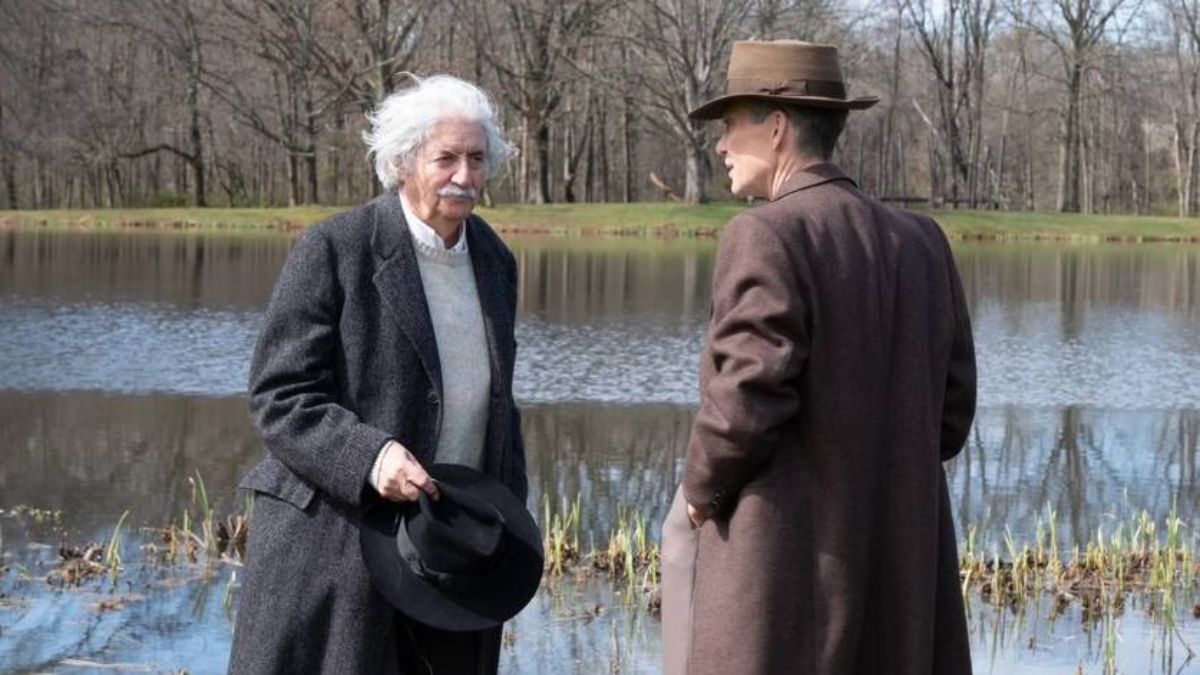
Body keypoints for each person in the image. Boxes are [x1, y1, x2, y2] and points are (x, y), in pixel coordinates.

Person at [660, 40, 977, 675]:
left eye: (731, 125)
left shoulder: (765, 233)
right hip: (900, 571)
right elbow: (952, 414)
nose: (721, 145)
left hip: (781, 575)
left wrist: (699, 491)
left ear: (775, 128)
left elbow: (746, 397)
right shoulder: (922, 241)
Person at [228, 74, 527, 675]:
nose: (465, 176)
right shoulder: (336, 249)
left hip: (447, 547)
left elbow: (497, 403)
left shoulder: (495, 260)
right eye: (446, 158)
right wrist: (370, 458)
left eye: (476, 158)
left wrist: (509, 525)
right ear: (402, 163)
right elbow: (280, 396)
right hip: (333, 545)